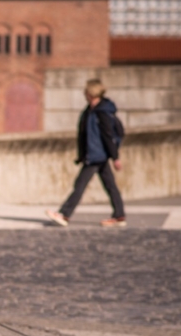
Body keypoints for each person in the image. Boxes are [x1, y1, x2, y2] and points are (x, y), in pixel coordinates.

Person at [46, 79, 126, 228]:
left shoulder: (101, 112)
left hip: (97, 155)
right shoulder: (91, 110)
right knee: (110, 185)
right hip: (95, 154)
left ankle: (65, 214)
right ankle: (119, 215)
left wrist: (115, 157)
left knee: (80, 185)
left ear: (91, 93)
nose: (84, 94)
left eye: (86, 91)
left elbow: (107, 136)